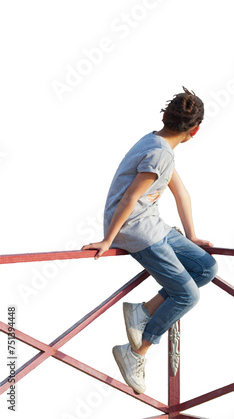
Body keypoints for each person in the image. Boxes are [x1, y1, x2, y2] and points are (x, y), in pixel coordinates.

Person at [81, 87, 218, 394]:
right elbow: (131, 197)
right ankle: (136, 352)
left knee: (206, 267)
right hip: (137, 231)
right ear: (194, 131)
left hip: (153, 224)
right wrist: (108, 239)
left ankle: (142, 311)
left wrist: (192, 236)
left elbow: (181, 193)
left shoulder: (156, 143)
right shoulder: (160, 153)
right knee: (188, 296)